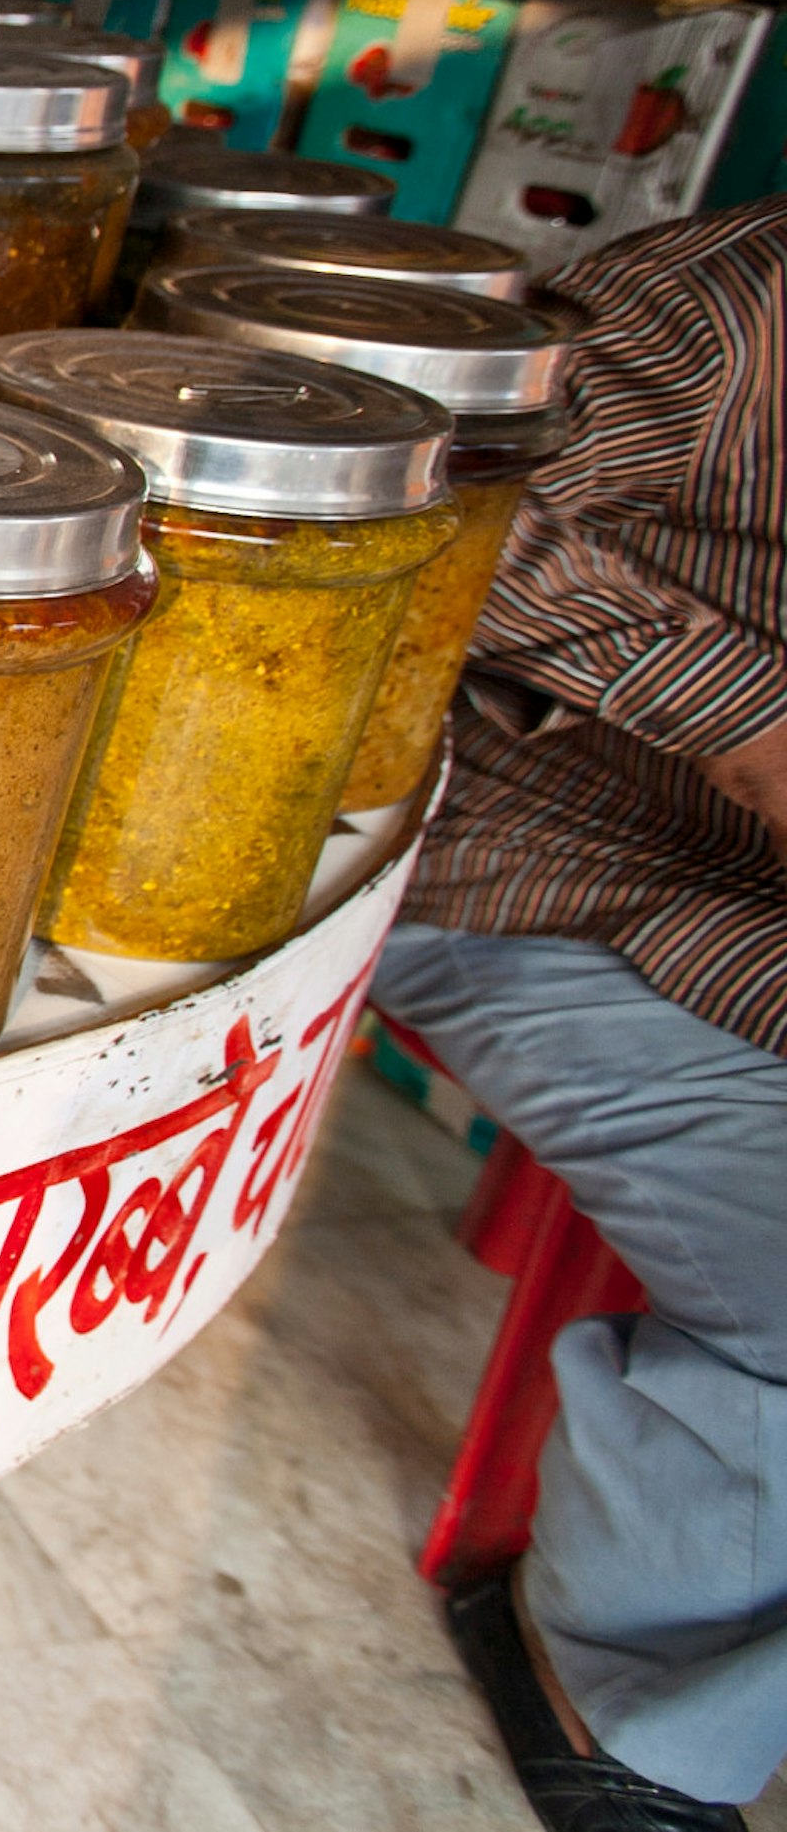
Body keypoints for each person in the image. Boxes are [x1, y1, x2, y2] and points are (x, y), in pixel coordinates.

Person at [373, 194, 787, 1831]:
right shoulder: (726, 309)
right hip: (556, 870)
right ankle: (619, 1693)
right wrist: (749, 718)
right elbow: (442, 495)